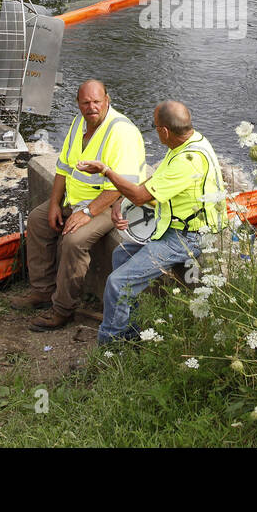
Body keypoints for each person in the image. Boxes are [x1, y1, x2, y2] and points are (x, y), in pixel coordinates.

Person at [78, 100, 227, 345]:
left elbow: (140, 195)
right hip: (170, 228)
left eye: (155, 126)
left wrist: (106, 171)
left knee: (118, 282)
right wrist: (120, 202)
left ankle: (110, 347)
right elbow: (152, 189)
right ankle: (129, 330)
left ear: (164, 131)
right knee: (121, 255)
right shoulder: (190, 141)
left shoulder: (186, 161)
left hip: (186, 237)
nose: (155, 130)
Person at [13, 79, 145, 332]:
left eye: (96, 102)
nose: (91, 107)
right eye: (86, 103)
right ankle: (42, 291)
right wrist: (54, 204)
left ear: (107, 100)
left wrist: (87, 212)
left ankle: (63, 309)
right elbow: (63, 167)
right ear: (78, 104)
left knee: (74, 240)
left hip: (111, 204)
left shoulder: (121, 132)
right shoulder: (78, 123)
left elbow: (120, 186)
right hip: (76, 199)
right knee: (39, 221)